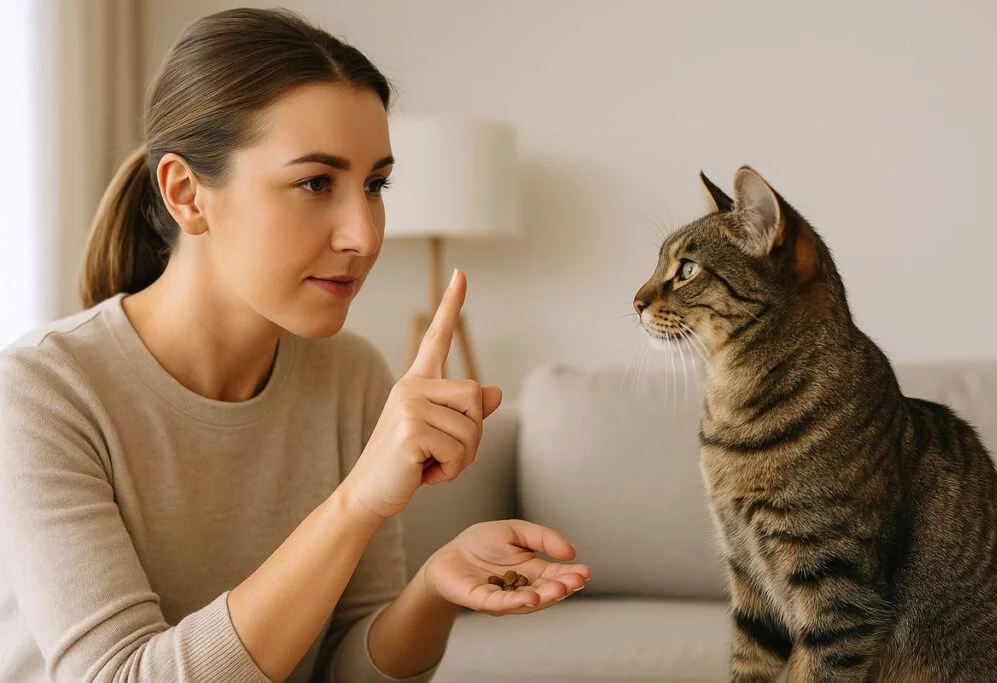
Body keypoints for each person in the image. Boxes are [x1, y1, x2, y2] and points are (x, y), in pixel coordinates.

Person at [0, 8, 590, 682]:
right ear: (187, 193)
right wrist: (357, 500)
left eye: (375, 185)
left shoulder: (352, 377)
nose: (365, 236)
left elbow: (341, 665)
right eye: (316, 183)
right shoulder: (42, 393)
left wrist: (432, 590)